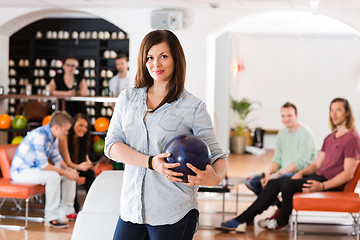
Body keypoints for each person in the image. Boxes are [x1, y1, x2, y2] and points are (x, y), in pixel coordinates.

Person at [104, 30, 228, 240]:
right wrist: (151, 162)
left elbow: (217, 156)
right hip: (131, 210)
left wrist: (214, 178)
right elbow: (112, 146)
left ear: (175, 59)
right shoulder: (127, 99)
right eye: (150, 58)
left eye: (163, 56)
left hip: (173, 212)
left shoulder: (193, 107)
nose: (156, 64)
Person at [218, 97, 360, 232]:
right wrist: (301, 173)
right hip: (318, 177)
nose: (334, 114)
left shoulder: (352, 138)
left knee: (286, 185)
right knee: (273, 184)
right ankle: (243, 219)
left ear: (347, 113)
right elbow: (317, 165)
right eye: (331, 110)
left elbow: (348, 173)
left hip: (329, 183)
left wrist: (322, 186)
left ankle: (280, 221)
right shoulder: (329, 138)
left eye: (338, 110)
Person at [244, 102, 317, 218]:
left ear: (296, 116)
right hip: (282, 173)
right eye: (283, 116)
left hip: (298, 174)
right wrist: (268, 174)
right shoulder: (282, 134)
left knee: (272, 181)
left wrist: (274, 176)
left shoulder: (305, 133)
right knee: (250, 180)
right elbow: (277, 159)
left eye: (289, 116)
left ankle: (267, 210)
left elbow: (299, 164)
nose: (286, 119)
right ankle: (279, 205)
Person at [10, 111, 79, 228]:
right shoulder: (39, 136)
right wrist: (66, 173)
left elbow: (58, 160)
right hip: (21, 172)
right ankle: (51, 217)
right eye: (66, 130)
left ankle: (67, 212)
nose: (67, 133)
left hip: (35, 170)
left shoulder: (53, 137)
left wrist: (69, 170)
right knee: (54, 176)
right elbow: (44, 166)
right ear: (57, 127)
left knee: (69, 173)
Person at [58, 113, 95, 213]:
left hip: (76, 166)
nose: (83, 129)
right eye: (80, 125)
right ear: (73, 125)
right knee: (73, 172)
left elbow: (85, 157)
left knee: (90, 173)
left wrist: (89, 164)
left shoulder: (83, 139)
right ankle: (75, 207)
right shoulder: (64, 138)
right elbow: (67, 162)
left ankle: (92, 203)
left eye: (86, 127)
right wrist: (79, 167)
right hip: (66, 167)